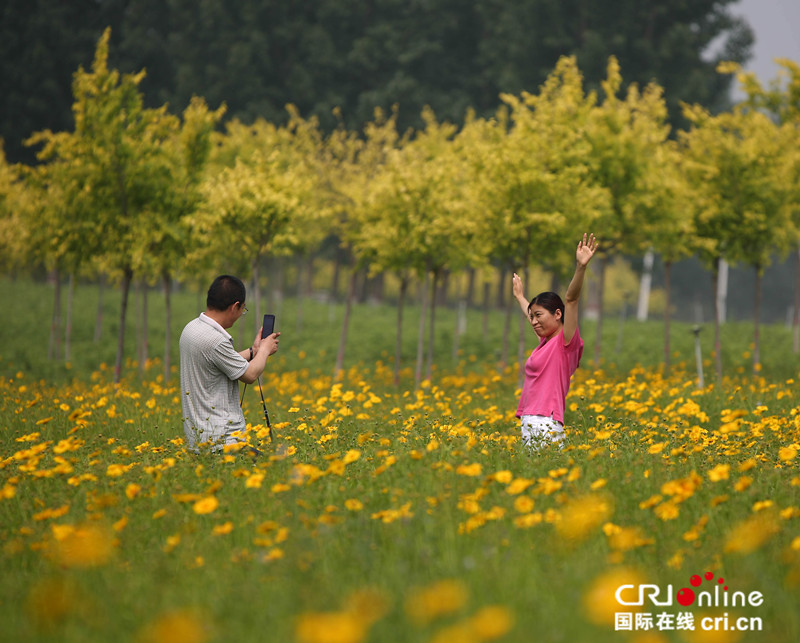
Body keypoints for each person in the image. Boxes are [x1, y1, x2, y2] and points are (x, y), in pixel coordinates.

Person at [512, 233, 598, 448]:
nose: (533, 322)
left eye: (539, 316)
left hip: (545, 422)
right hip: (531, 421)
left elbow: (571, 299)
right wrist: (521, 298)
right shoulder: (546, 343)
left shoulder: (564, 343)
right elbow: (532, 318)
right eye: (532, 317)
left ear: (558, 314)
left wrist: (581, 267)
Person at [179, 275, 280, 453]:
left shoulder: (192, 329)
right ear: (235, 306)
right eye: (243, 309)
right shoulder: (216, 340)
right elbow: (249, 375)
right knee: (268, 472)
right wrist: (265, 350)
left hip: (199, 439)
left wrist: (254, 351)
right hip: (222, 442)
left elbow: (218, 361)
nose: (241, 314)